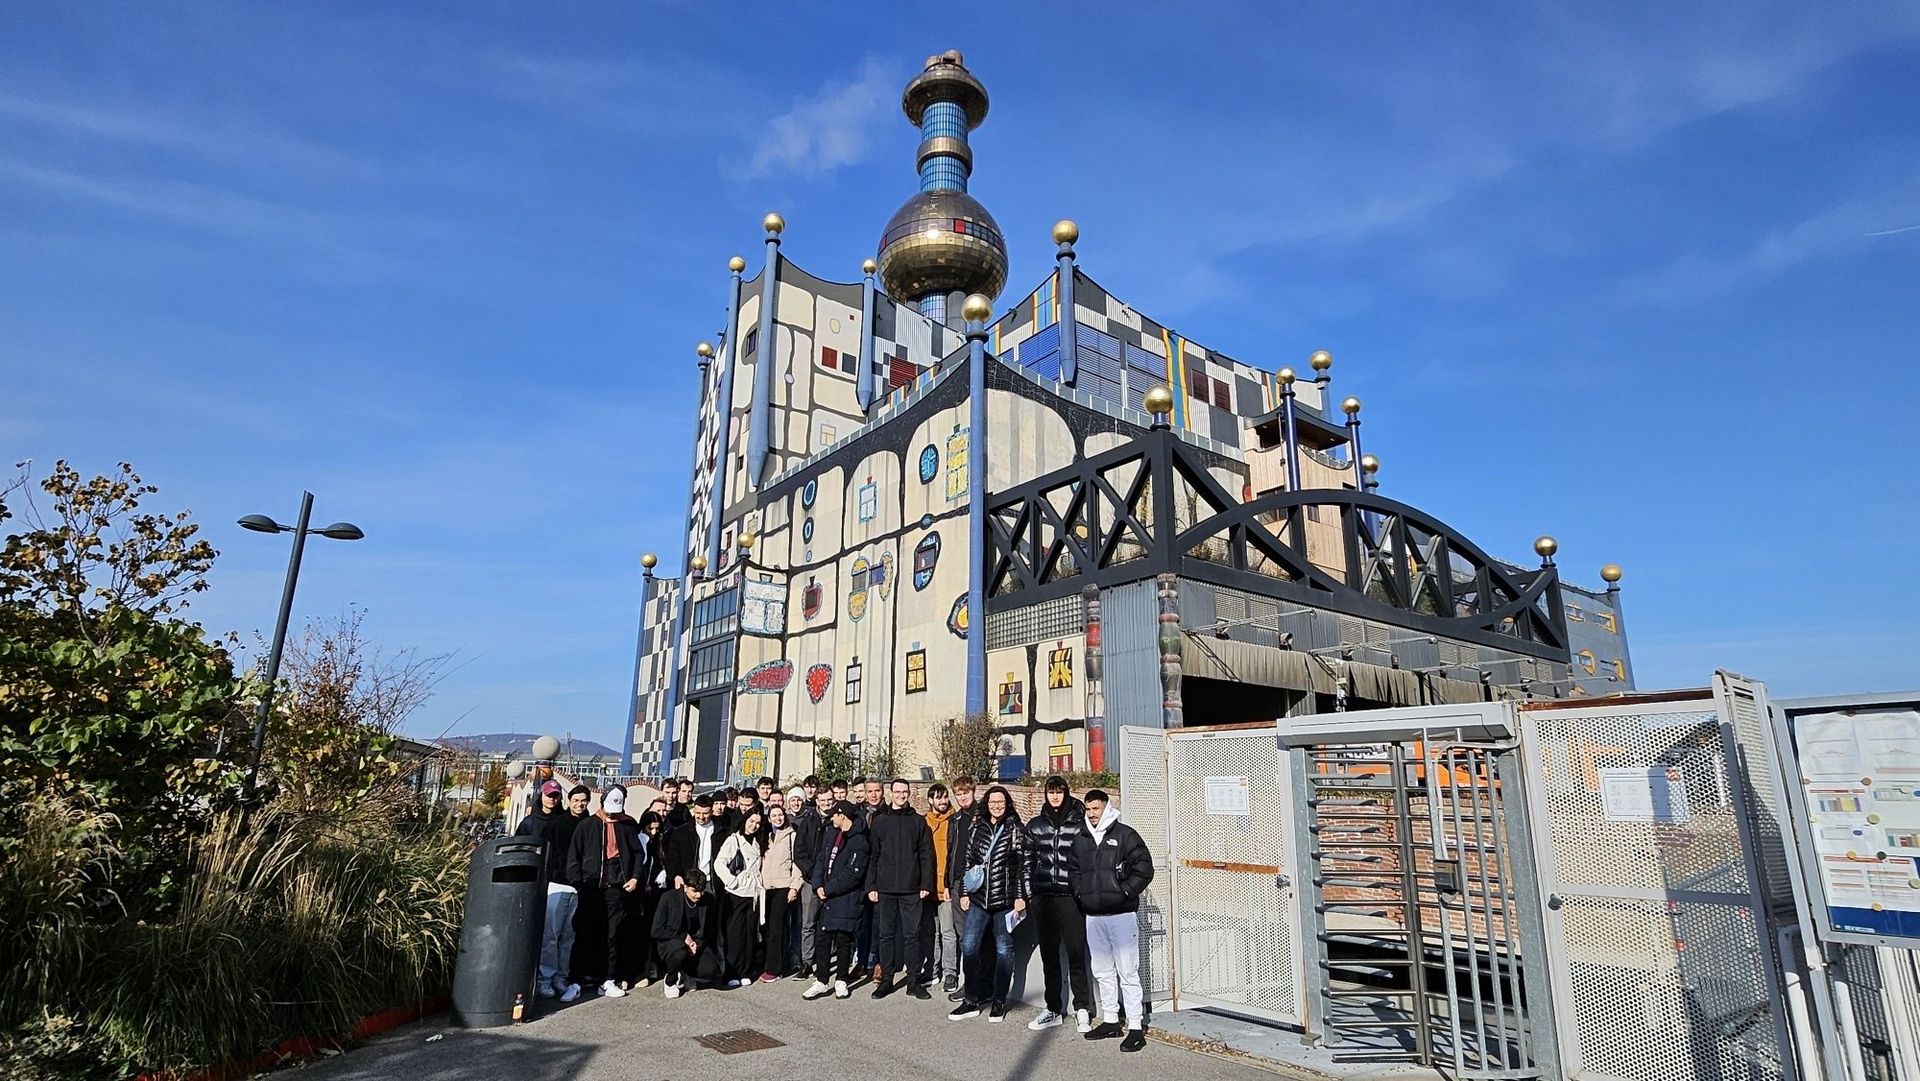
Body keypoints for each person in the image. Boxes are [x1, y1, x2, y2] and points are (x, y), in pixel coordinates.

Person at [1071, 789, 1154, 1052]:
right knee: (1103, 972)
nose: (1092, 814)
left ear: (1106, 808)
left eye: (1096, 808)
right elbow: (1073, 871)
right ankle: (1110, 1020)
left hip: (1121, 915)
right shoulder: (1081, 839)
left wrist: (1125, 892)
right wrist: (1081, 893)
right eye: (1088, 809)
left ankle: (1135, 1026)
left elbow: (1144, 868)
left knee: (1128, 972)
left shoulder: (1125, 835)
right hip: (1094, 917)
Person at [948, 785, 1028, 1024]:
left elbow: (1023, 865)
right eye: (993, 802)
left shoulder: (1015, 829)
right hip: (978, 899)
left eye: (1001, 802)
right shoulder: (977, 827)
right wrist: (964, 891)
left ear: (1007, 803)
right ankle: (971, 999)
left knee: (1004, 949)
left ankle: (999, 1000)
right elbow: (967, 861)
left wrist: (1020, 896)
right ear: (987, 803)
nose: (996, 806)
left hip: (1005, 901)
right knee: (969, 945)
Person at [1025, 775, 1094, 1032]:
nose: (1055, 796)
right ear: (1045, 794)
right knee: (1049, 956)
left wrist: (1081, 891)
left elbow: (1087, 860)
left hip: (1070, 897)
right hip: (1043, 898)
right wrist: (1030, 892)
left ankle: (1082, 1008)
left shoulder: (1079, 824)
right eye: (1051, 792)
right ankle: (1053, 1008)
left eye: (1059, 792)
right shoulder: (1035, 825)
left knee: (1077, 954)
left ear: (1066, 793)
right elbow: (1027, 862)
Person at [565, 784, 645, 998]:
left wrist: (635, 876)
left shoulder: (627, 826)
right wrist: (578, 884)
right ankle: (576, 980)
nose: (612, 815)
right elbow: (574, 857)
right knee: (584, 933)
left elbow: (638, 853)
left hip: (617, 887)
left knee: (612, 935)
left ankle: (607, 979)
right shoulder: (587, 826)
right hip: (590, 887)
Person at [515, 780, 589, 1002]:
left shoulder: (585, 823)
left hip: (577, 885)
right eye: (549, 795)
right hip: (555, 883)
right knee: (550, 935)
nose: (552, 799)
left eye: (556, 795)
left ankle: (560, 976)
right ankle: (545, 978)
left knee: (568, 935)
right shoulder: (543, 825)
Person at [865, 778, 935, 999]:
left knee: (912, 936)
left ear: (909, 794)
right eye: (897, 791)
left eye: (904, 792)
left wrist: (926, 883)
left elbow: (926, 855)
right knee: (886, 936)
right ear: (891, 793)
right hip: (885, 888)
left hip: (911, 889)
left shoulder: (918, 822)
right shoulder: (880, 821)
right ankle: (886, 980)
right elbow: (873, 855)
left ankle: (913, 981)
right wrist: (871, 885)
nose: (901, 795)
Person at [802, 801, 869, 1001]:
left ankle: (841, 980)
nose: (831, 819)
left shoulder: (860, 841)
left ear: (842, 815)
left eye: (834, 815)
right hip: (827, 896)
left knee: (843, 939)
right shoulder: (833, 834)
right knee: (822, 938)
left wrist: (829, 889)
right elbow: (822, 860)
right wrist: (818, 884)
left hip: (845, 897)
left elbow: (853, 874)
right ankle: (821, 980)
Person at [652, 870, 724, 998]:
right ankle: (670, 981)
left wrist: (697, 944)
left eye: (701, 891)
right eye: (694, 891)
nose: (698, 895)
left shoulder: (708, 900)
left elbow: (709, 930)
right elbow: (656, 930)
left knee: (711, 969)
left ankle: (686, 974)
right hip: (672, 941)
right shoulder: (668, 898)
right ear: (685, 887)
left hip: (696, 942)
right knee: (680, 953)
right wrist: (683, 937)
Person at [714, 807, 765, 988]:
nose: (754, 826)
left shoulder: (758, 842)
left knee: (750, 934)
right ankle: (732, 972)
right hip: (736, 893)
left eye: (758, 823)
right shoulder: (734, 840)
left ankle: (746, 970)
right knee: (735, 934)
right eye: (751, 821)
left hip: (753, 894)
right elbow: (719, 863)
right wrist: (732, 881)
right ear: (744, 820)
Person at [941, 776, 979, 1002]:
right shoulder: (955, 819)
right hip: (955, 883)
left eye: (966, 792)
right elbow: (951, 851)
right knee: (963, 935)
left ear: (973, 792)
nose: (962, 796)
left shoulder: (981, 816)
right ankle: (969, 981)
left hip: (973, 884)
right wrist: (947, 882)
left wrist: (966, 888)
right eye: (959, 793)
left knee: (972, 936)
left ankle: (974, 983)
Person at [919, 781, 959, 993]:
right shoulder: (923, 822)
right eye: (938, 797)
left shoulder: (954, 821)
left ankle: (950, 972)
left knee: (947, 931)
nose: (943, 801)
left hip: (946, 886)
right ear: (930, 800)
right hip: (927, 886)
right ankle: (931, 970)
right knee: (929, 932)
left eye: (945, 797)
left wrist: (950, 883)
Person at [793, 787, 835, 981]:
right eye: (823, 800)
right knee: (808, 923)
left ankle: (827, 960)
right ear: (817, 801)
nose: (827, 803)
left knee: (830, 924)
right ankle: (807, 962)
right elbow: (799, 853)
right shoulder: (808, 822)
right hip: (811, 880)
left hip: (832, 882)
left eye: (829, 800)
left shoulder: (838, 820)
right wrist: (813, 874)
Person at [760, 800, 803, 982]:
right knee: (767, 928)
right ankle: (768, 962)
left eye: (780, 814)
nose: (778, 818)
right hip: (765, 888)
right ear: (769, 818)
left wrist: (795, 886)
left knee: (777, 929)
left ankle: (775, 969)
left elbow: (797, 862)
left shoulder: (792, 835)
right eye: (774, 815)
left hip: (783, 886)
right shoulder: (766, 836)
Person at [662, 793, 720, 888]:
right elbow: (672, 856)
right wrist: (676, 875)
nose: (701, 817)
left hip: (711, 882)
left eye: (705, 813)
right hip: (688, 881)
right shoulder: (682, 832)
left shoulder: (721, 831)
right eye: (698, 813)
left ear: (712, 812)